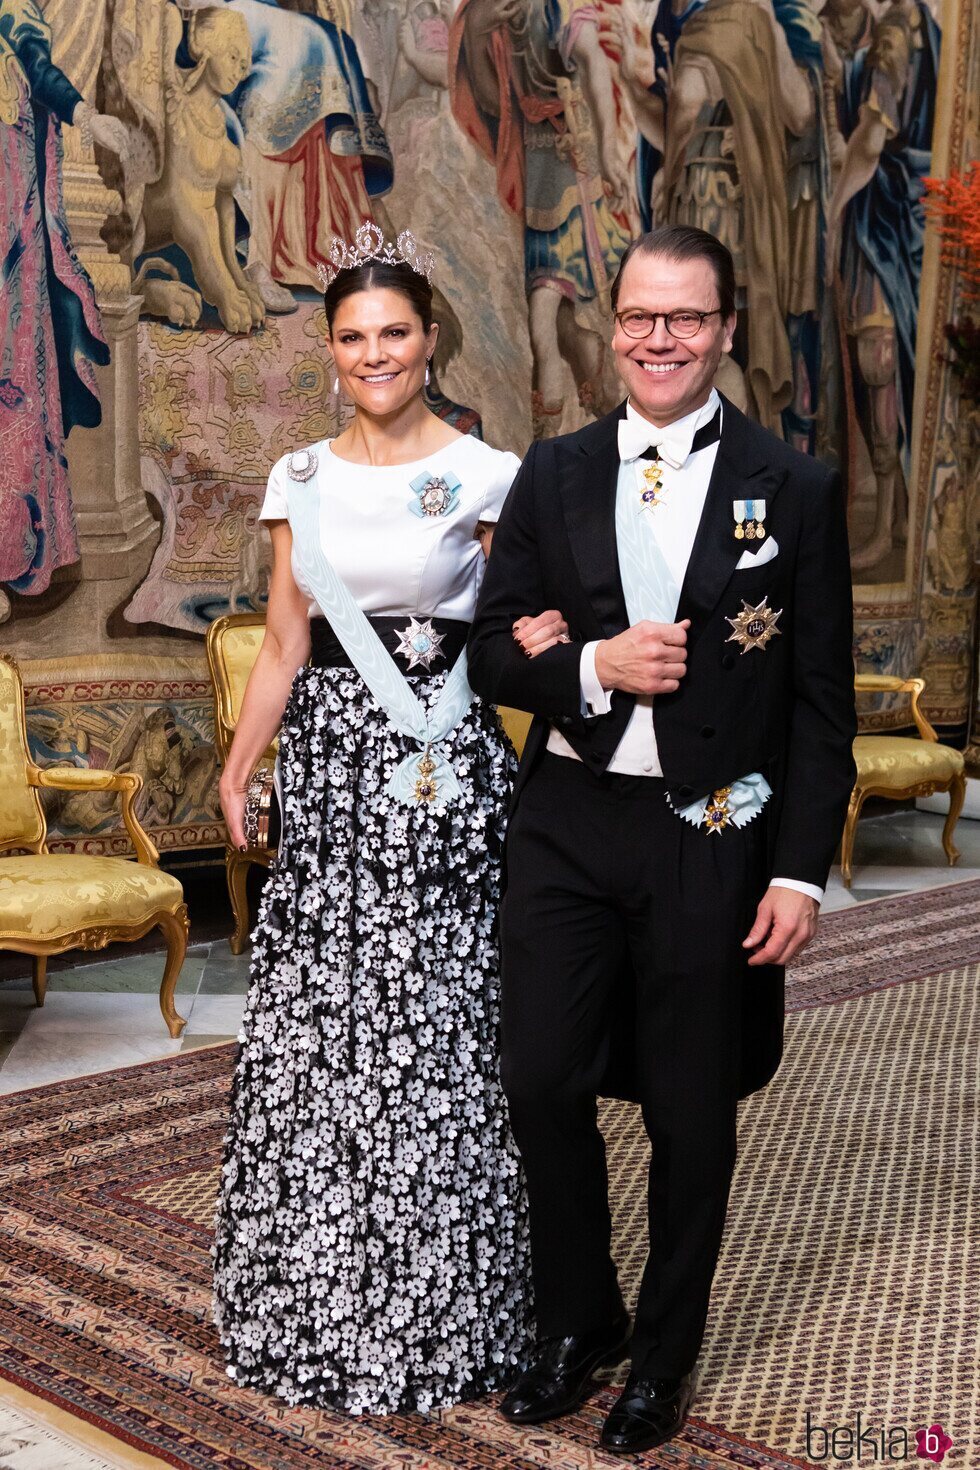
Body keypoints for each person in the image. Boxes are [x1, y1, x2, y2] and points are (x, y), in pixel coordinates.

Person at [466, 224, 856, 1454]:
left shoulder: (791, 487)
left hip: (711, 832)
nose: (657, 340)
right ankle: (583, 1320)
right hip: (569, 823)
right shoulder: (554, 469)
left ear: (725, 329)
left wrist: (796, 868)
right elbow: (488, 649)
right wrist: (588, 661)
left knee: (690, 1109)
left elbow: (817, 704)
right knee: (537, 1079)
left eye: (684, 319)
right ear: (612, 322)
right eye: (639, 316)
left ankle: (662, 1361)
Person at [212, 226, 548, 1414]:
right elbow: (287, 642)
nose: (373, 353)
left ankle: (462, 1302)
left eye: (393, 332)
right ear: (331, 349)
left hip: (446, 764)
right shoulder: (297, 477)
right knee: (330, 1020)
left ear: (429, 336)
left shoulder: (493, 470)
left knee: (447, 1012)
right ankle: (318, 1296)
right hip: (336, 771)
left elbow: (513, 634)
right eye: (352, 337)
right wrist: (241, 764)